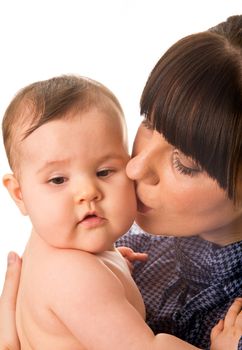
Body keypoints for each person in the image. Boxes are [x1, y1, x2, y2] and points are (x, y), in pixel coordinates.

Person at [0, 14, 242, 350]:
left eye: (184, 163)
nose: (135, 167)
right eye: (150, 123)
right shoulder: (82, 268)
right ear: (19, 194)